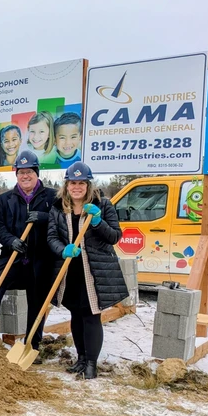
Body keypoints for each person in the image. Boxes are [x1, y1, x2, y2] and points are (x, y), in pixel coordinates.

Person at [47, 161, 128, 379]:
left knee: (91, 315)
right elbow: (51, 237)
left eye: (81, 182)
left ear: (88, 184)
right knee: (75, 313)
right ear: (66, 185)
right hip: (69, 271)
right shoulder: (58, 207)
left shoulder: (102, 205)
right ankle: (81, 358)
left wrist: (97, 221)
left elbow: (114, 236)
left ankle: (91, 364)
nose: (77, 187)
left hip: (94, 272)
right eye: (73, 182)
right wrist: (62, 249)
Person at [0, 151, 57, 355]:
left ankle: (32, 345)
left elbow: (61, 221)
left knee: (37, 301)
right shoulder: (5, 199)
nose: (25, 176)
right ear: (16, 174)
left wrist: (45, 217)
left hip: (39, 259)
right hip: (12, 256)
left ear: (37, 173)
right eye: (21, 172)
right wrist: (11, 241)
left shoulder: (52, 197)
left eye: (29, 172)